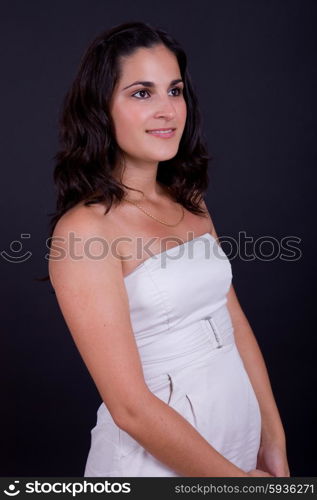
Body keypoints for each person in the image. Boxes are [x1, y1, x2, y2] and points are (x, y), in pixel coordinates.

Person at [47, 21, 290, 477]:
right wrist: (236, 486)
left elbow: (232, 320)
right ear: (101, 107)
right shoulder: (82, 231)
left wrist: (272, 438)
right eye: (142, 93)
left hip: (236, 439)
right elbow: (130, 407)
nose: (167, 110)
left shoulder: (189, 199)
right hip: (156, 464)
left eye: (174, 91)